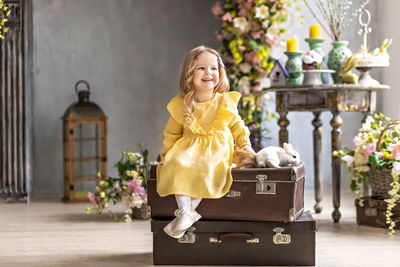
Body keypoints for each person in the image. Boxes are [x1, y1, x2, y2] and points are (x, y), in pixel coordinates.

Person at [157, 45, 254, 239]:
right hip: (188, 148)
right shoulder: (182, 104)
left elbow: (237, 125)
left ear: (220, 72)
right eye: (201, 68)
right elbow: (172, 134)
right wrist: (166, 154)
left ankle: (187, 213)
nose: (208, 72)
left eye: (213, 68)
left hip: (216, 149)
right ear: (189, 74)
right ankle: (186, 211)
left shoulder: (224, 102)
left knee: (205, 167)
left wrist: (245, 144)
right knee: (177, 164)